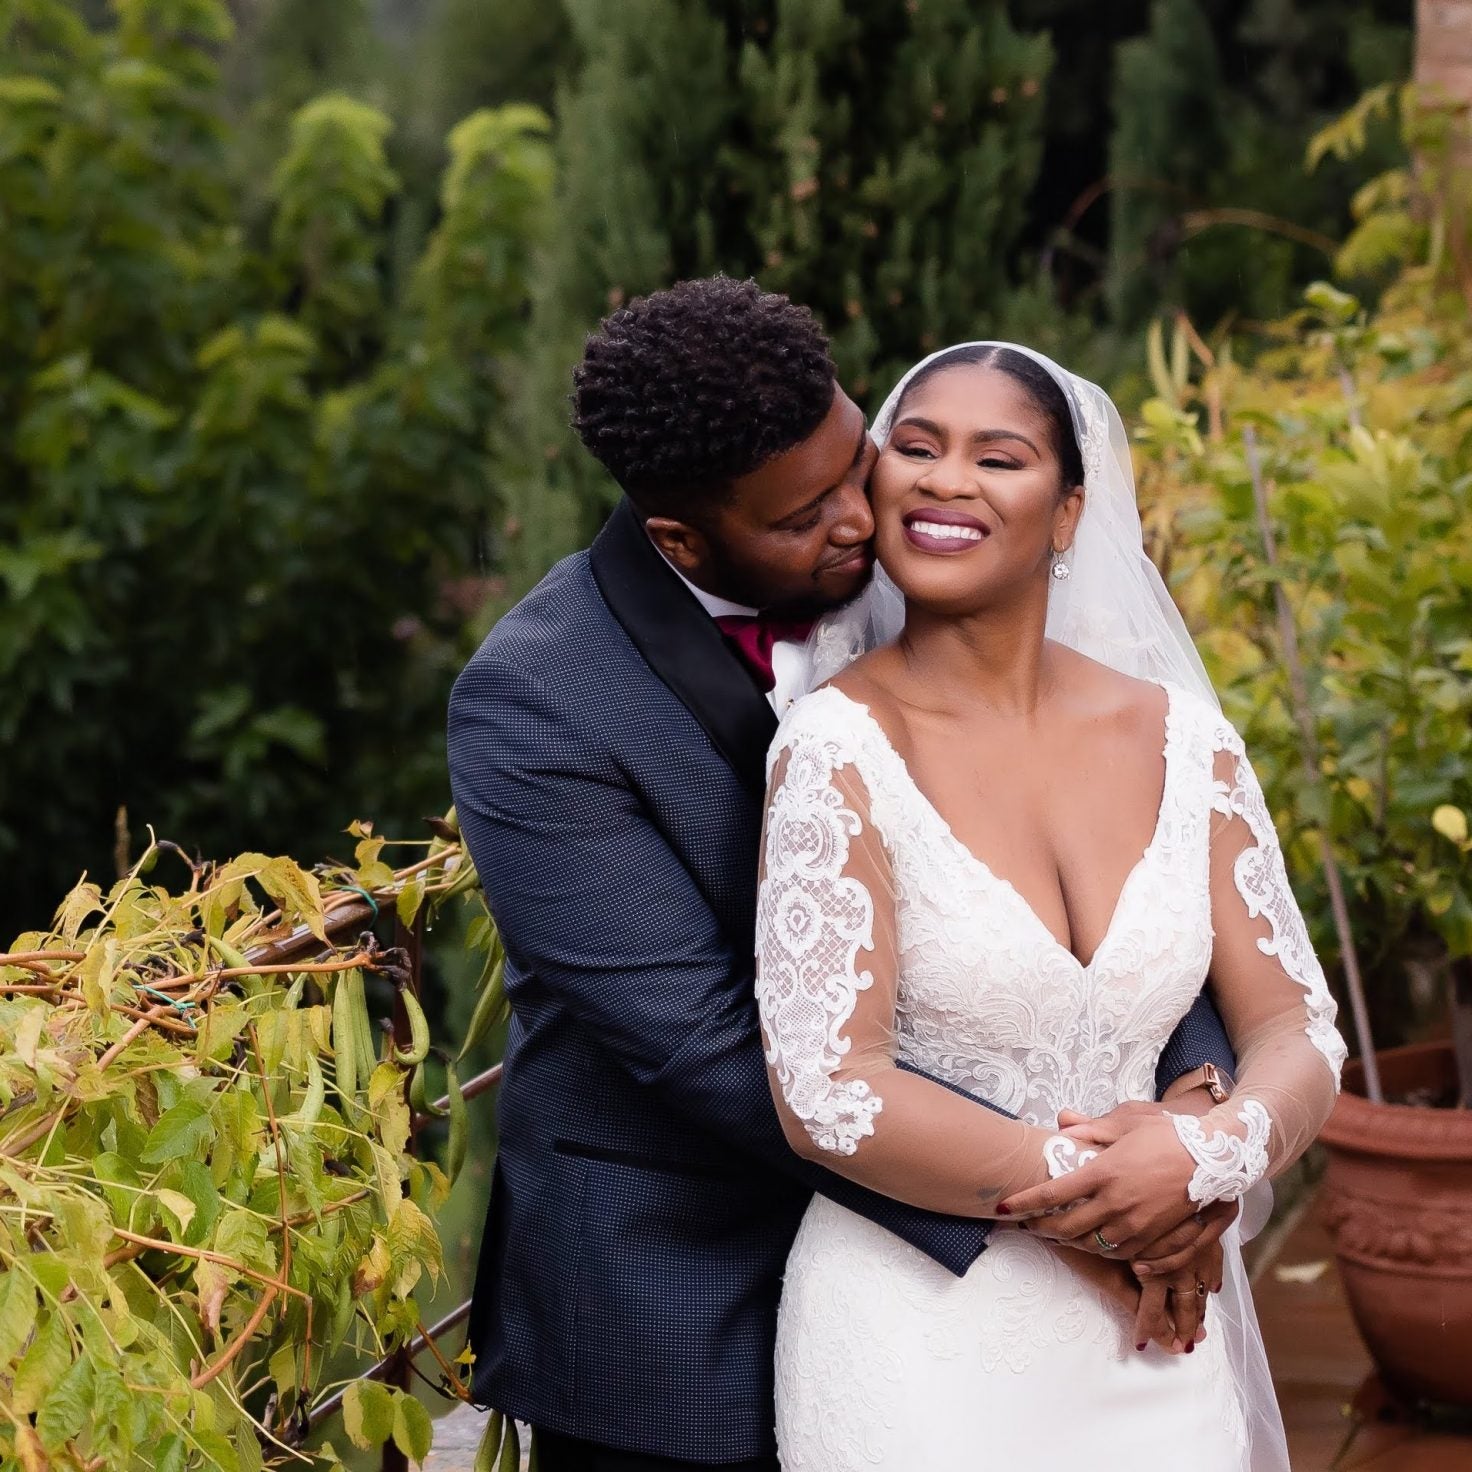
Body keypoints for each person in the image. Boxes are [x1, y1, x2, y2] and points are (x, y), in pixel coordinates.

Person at [448, 280, 1240, 1472]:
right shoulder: (537, 701)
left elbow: (1119, 842)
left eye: (854, 457)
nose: (863, 518)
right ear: (680, 539)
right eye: (805, 513)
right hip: (683, 1297)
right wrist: (1088, 1208)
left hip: (1003, 1294)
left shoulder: (933, 568)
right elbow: (707, 1044)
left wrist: (1188, 1123)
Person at [757, 341, 1347, 1471]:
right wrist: (1116, 1191)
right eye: (916, 448)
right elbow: (827, 1089)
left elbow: (1296, 1026)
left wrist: (1209, 1156)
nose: (945, 479)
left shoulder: (1185, 742)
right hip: (918, 1339)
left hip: (1159, 1338)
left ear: (1070, 512)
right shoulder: (832, 749)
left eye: (998, 457)